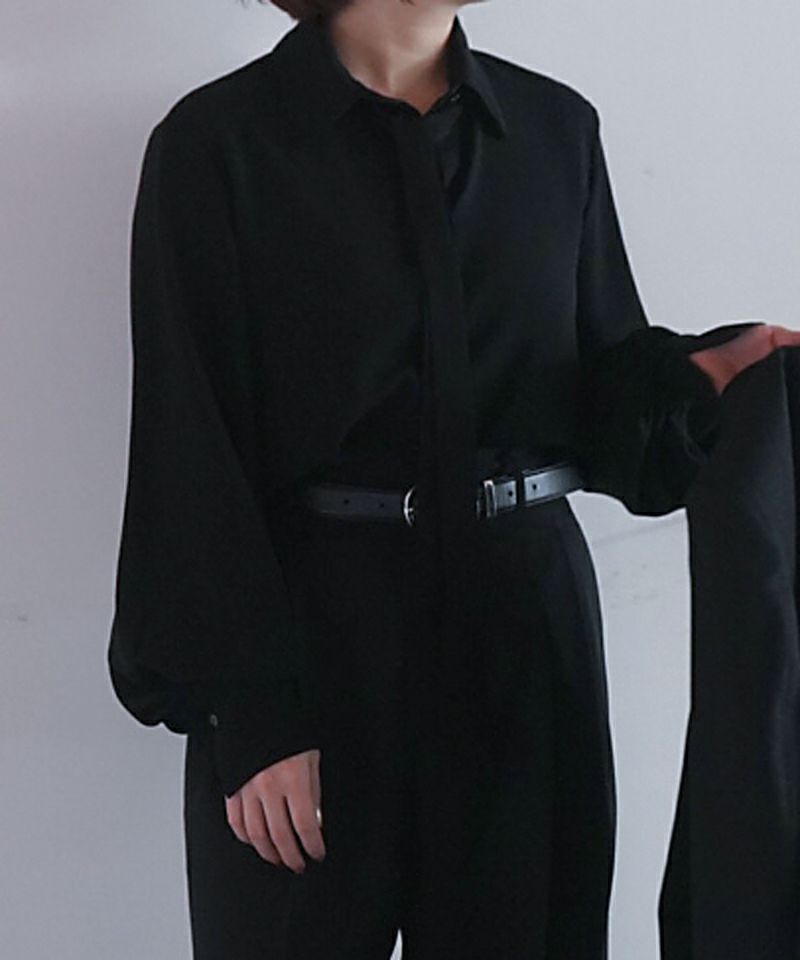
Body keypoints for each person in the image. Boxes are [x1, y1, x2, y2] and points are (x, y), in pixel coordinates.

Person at [107, 0, 800, 956]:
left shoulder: (555, 129)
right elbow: (190, 441)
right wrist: (254, 712)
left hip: (523, 633)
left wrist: (706, 380)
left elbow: (594, 393)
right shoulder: (218, 143)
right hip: (314, 639)